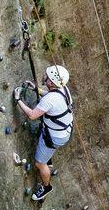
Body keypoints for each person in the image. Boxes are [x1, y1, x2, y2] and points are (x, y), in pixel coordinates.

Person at [15, 64, 73, 202]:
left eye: (46, 76)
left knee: (39, 164)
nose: (43, 76)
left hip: (54, 136)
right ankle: (48, 155)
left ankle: (46, 187)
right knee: (46, 143)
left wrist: (18, 100)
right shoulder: (64, 89)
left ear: (51, 82)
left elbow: (32, 115)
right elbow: (53, 99)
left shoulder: (49, 100)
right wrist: (37, 89)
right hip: (64, 130)